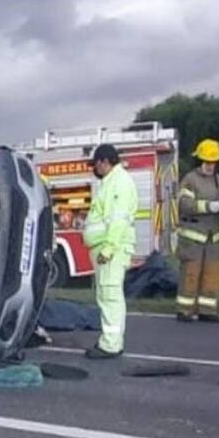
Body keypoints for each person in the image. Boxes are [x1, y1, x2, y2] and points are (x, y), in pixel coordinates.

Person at [82, 144, 139, 359]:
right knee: (107, 295)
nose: (94, 169)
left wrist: (108, 249)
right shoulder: (112, 182)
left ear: (104, 161)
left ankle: (111, 345)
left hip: (111, 250)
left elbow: (118, 219)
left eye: (95, 164)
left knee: (110, 296)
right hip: (108, 248)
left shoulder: (119, 183)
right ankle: (111, 341)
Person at [175, 139, 219, 322]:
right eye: (207, 162)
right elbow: (185, 204)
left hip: (214, 237)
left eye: (213, 162)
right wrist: (210, 206)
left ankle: (207, 310)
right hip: (193, 237)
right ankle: (185, 310)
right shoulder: (190, 180)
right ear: (200, 161)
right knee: (191, 274)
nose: (210, 166)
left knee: (212, 274)